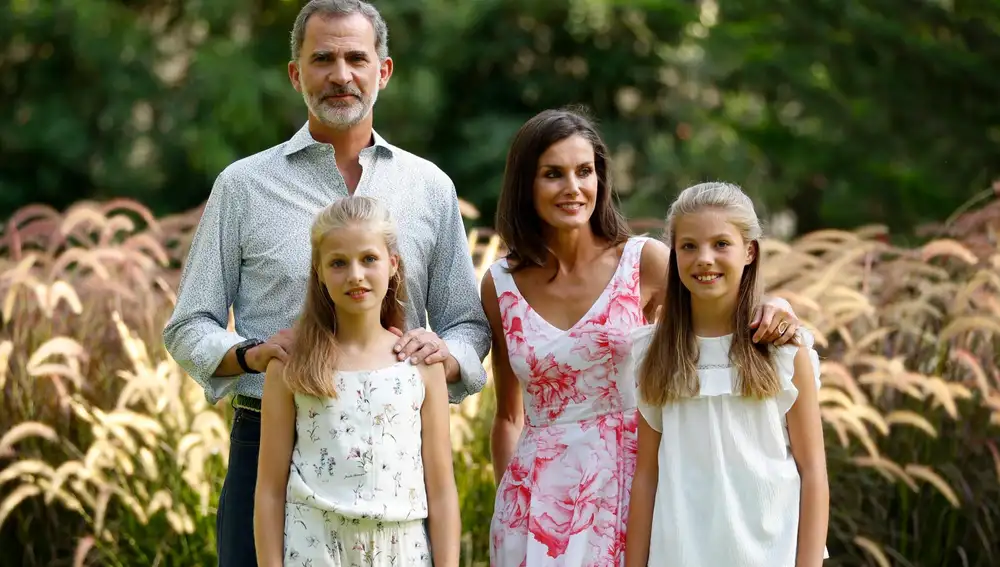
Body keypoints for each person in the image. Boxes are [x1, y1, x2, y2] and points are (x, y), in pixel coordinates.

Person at [161, 1, 489, 565]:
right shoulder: (243, 186)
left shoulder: (430, 187)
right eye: (323, 59)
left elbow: (466, 320)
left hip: (395, 456)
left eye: (357, 58)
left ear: (383, 71)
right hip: (268, 440)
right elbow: (188, 325)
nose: (341, 75)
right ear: (296, 74)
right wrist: (253, 355)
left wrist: (443, 355)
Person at [482, 107, 803, 567]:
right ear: (525, 185)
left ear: (601, 179)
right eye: (553, 174)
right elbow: (509, 417)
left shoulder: (643, 260)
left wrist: (780, 308)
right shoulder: (500, 284)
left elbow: (723, 307)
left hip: (634, 483)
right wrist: (510, 508)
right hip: (535, 505)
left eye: (584, 172)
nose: (573, 188)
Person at [623, 182, 829, 567]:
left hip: (770, 553)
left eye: (721, 244)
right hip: (680, 554)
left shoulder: (785, 350)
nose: (704, 258)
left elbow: (813, 468)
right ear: (674, 255)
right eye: (688, 246)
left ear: (749, 251)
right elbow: (646, 475)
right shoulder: (652, 353)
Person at [253, 196, 460, 567]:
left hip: (402, 552)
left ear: (392, 264)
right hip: (315, 548)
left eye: (368, 259)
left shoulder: (420, 365)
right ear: (318, 270)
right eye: (338, 263)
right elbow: (269, 490)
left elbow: (442, 490)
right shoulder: (290, 366)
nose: (355, 275)